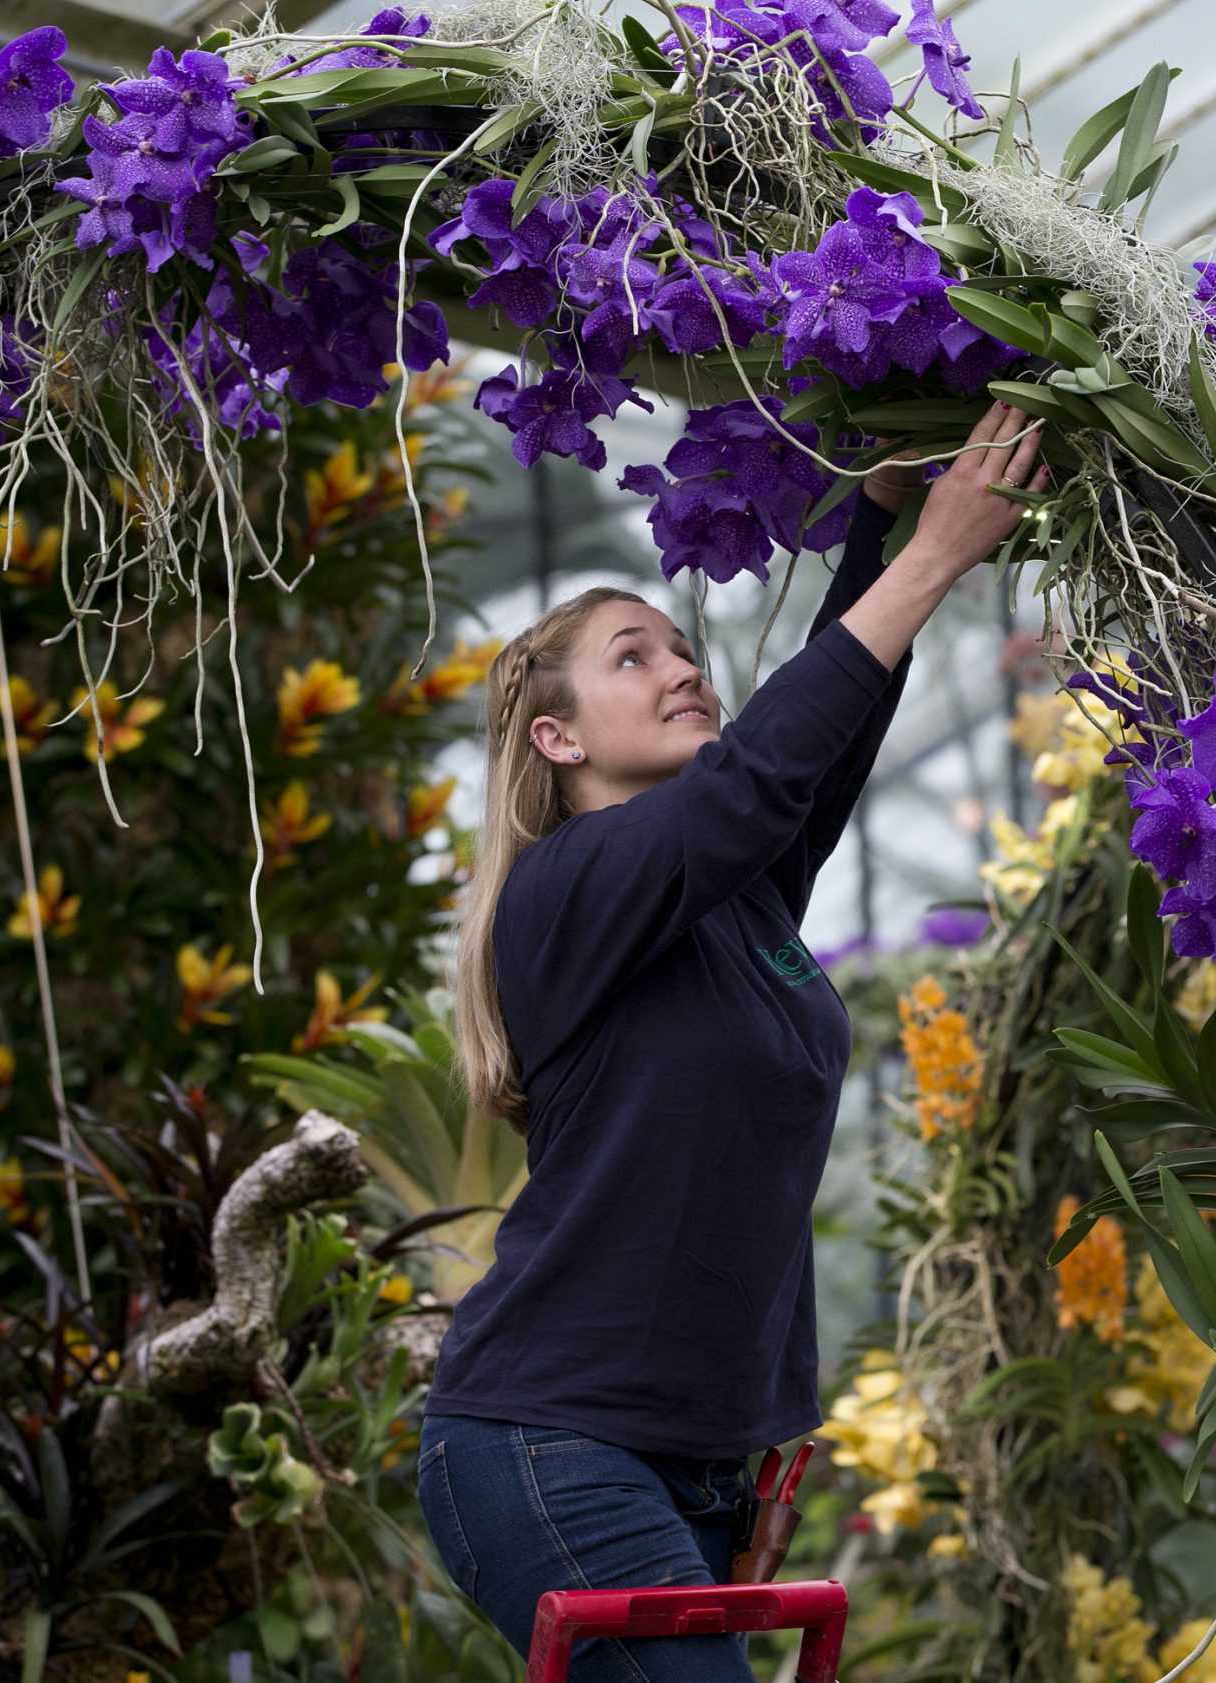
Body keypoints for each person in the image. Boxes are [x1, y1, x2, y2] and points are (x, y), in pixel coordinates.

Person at [416, 401, 1046, 1681]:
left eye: (678, 647)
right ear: (560, 738)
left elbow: (812, 763)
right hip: (550, 1442)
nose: (684, 667)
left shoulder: (732, 903)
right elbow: (753, 784)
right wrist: (934, 559)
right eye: (632, 659)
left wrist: (875, 526)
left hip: (694, 1468)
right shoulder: (567, 887)